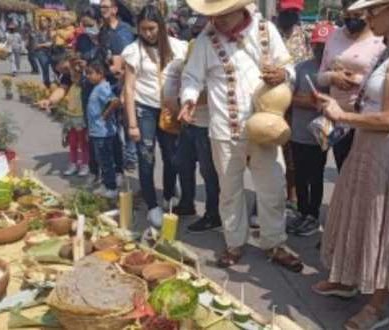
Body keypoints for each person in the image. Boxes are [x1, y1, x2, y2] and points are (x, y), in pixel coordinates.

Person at [312, 0, 389, 328]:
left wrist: (341, 114)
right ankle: (347, 280)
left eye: (372, 11)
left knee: (384, 225)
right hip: (369, 144)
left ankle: (376, 306)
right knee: (360, 214)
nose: (365, 18)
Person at [180, 0, 302, 271]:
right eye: (214, 15)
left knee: (272, 188)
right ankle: (234, 242)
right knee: (229, 191)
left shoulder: (266, 30)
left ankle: (275, 243)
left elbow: (290, 68)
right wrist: (188, 99)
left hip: (265, 126)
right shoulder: (205, 39)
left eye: (223, 15)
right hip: (225, 128)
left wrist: (282, 74)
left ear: (239, 9)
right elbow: (191, 77)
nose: (218, 21)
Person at [123, 5, 187, 229]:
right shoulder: (134, 50)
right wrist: (132, 124)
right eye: (143, 29)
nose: (148, 33)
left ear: (161, 26)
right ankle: (152, 205)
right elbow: (129, 89)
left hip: (170, 110)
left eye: (152, 28)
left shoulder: (180, 47)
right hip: (144, 110)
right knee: (146, 157)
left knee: (172, 157)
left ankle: (169, 194)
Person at [167, 16, 222, 233]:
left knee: (209, 172)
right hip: (189, 120)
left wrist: (187, 100)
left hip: (207, 122)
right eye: (194, 29)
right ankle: (187, 203)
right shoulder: (192, 47)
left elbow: (213, 92)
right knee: (182, 162)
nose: (196, 33)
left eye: (201, 29)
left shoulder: (217, 50)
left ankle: (213, 213)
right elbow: (186, 78)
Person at [318, 0, 385, 171]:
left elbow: (386, 79)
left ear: (368, 14)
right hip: (339, 120)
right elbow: (320, 76)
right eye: (347, 15)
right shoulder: (335, 36)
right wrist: (333, 76)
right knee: (344, 171)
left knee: (365, 173)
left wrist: (356, 79)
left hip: (367, 119)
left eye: (357, 15)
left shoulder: (380, 38)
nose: (351, 20)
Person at [287, 22, 334, 236]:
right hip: (298, 133)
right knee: (299, 175)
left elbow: (335, 102)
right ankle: (302, 212)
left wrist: (316, 102)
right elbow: (288, 97)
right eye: (317, 45)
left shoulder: (334, 72)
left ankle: (313, 216)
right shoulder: (301, 68)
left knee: (315, 176)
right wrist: (309, 101)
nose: (320, 50)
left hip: (319, 137)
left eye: (324, 46)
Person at [277, 0, 313, 212]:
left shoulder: (306, 34)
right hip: (272, 101)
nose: (291, 15)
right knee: (271, 149)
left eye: (295, 11)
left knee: (293, 153)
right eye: (287, 10)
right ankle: (269, 197)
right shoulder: (268, 32)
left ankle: (292, 196)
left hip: (298, 102)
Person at [99, 0, 137, 171]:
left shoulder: (124, 30)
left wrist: (117, 69)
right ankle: (121, 155)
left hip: (123, 81)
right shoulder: (104, 30)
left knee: (126, 119)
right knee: (114, 121)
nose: (102, 10)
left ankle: (131, 157)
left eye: (105, 7)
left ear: (114, 10)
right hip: (109, 81)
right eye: (101, 7)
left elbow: (124, 59)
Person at [86, 60, 121, 199]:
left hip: (103, 132)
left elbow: (115, 101)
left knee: (106, 161)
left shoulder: (103, 87)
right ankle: (106, 184)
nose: (88, 76)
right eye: (87, 74)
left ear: (100, 74)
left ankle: (111, 187)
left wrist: (105, 115)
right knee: (101, 160)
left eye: (90, 73)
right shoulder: (97, 87)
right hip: (96, 131)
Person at [34, 17, 53, 87]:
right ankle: (47, 84)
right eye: (41, 21)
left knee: (55, 69)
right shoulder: (37, 32)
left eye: (44, 21)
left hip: (52, 52)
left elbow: (53, 42)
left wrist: (42, 45)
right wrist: (46, 44)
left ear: (48, 22)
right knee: (45, 69)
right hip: (41, 53)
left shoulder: (51, 31)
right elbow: (35, 45)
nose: (42, 22)